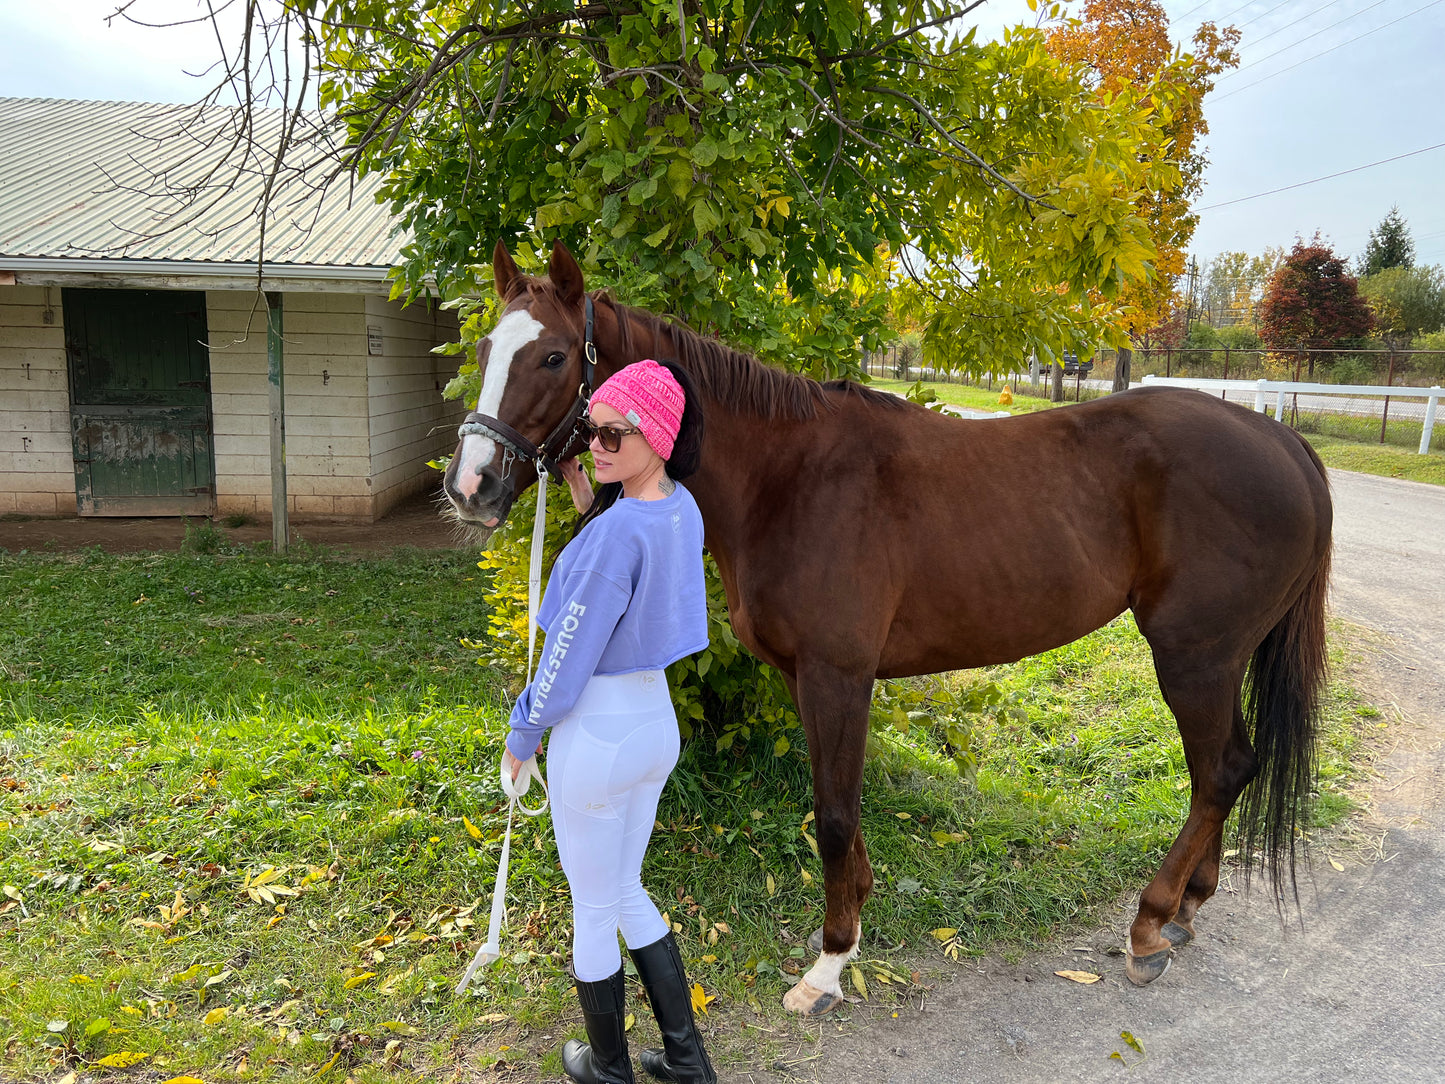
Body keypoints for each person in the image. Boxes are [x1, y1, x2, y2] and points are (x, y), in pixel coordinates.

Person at [501, 358, 716, 1084]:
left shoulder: (613, 538)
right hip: (652, 724)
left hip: (596, 732)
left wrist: (523, 733)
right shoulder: (679, 506)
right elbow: (631, 552)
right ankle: (685, 1061)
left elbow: (564, 660)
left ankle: (608, 1069)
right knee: (625, 890)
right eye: (591, 429)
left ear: (654, 436)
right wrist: (582, 488)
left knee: (594, 909)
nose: (594, 443)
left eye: (612, 435)